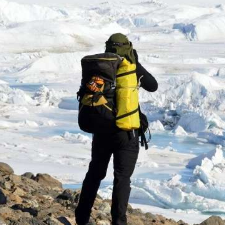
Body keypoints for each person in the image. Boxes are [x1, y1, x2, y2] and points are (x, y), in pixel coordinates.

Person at [75, 33, 158, 225]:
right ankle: (119, 222)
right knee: (122, 179)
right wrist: (136, 63)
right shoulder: (132, 66)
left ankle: (81, 218)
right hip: (126, 133)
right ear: (127, 47)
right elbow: (153, 86)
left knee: (94, 174)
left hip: (102, 130)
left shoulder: (99, 66)